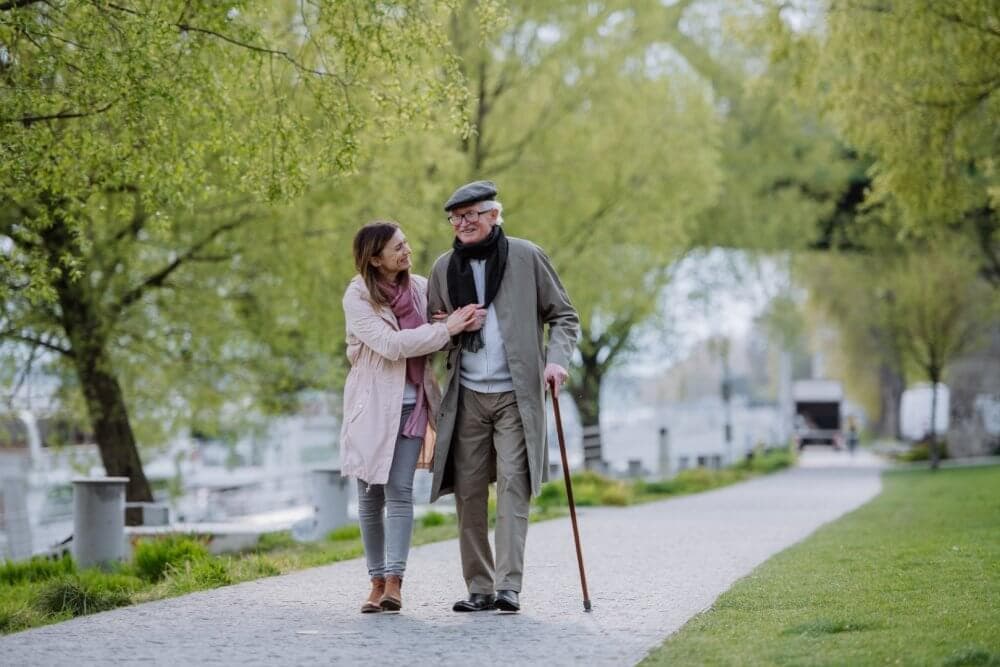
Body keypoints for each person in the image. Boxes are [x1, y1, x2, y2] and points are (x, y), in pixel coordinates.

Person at [427, 180, 580, 613]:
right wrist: (454, 326)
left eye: (471, 215)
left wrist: (556, 360)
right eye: (456, 218)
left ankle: (508, 586)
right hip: (468, 395)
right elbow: (435, 333)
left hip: (516, 394)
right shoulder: (443, 269)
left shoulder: (527, 257)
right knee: (470, 493)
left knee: (515, 485)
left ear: (494, 215)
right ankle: (480, 586)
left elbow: (564, 316)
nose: (463, 224)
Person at [341, 221, 483, 614]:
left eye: (405, 243)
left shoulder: (419, 286)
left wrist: (457, 323)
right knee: (369, 498)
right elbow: (390, 345)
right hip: (371, 408)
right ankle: (374, 580)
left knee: (400, 491)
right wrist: (445, 330)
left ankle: (394, 582)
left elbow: (442, 321)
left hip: (413, 404)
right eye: (397, 248)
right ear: (375, 259)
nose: (407, 251)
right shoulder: (357, 297)